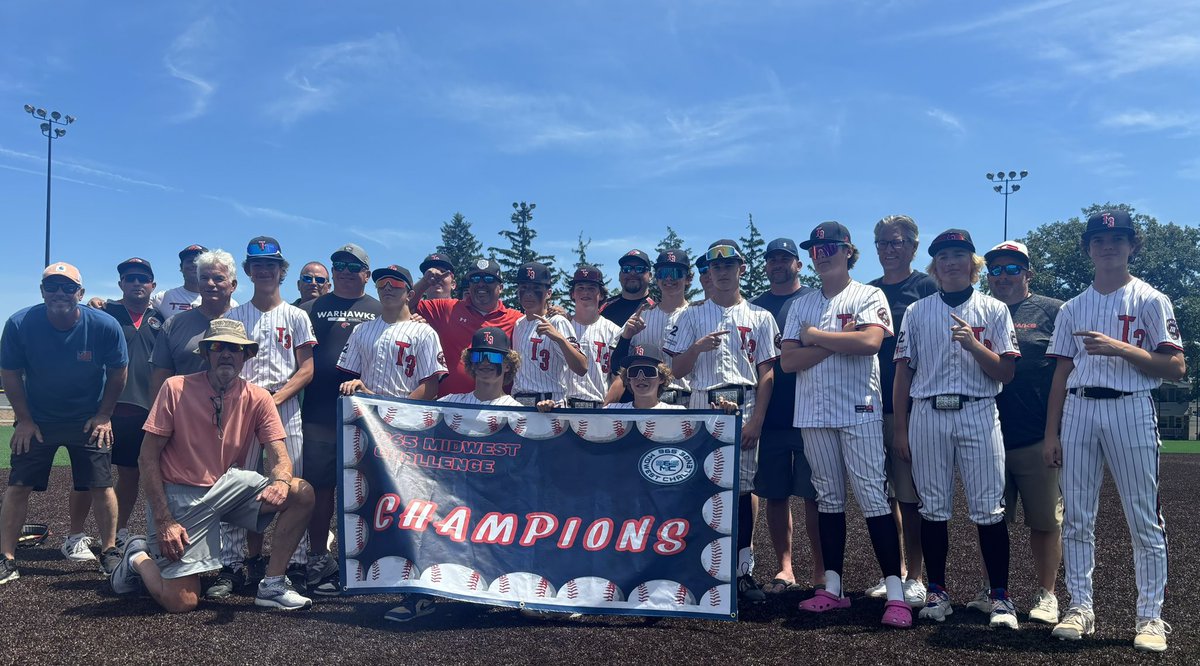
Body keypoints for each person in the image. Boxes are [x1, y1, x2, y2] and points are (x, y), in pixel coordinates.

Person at [1044, 210, 1185, 653]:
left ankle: (1150, 617)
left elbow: (1176, 367)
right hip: (1079, 409)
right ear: (1088, 249)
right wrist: (1051, 433)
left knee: (1143, 518)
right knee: (1077, 516)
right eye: (1099, 240)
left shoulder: (1151, 299)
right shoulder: (1071, 307)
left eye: (1118, 239)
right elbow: (1061, 374)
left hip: (1131, 406)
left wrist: (1119, 347)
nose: (1108, 246)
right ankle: (1079, 607)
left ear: (1132, 246)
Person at [108, 318, 316, 612]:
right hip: (180, 494)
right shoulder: (175, 388)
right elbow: (147, 457)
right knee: (182, 602)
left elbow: (280, 456)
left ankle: (272, 585)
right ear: (206, 353)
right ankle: (137, 556)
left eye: (235, 348)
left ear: (247, 355)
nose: (227, 354)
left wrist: (281, 480)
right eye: (218, 347)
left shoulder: (259, 397)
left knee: (301, 492)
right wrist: (164, 519)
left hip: (228, 486)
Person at [780, 223, 909, 628]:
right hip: (814, 413)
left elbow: (869, 343)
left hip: (860, 410)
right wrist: (838, 340)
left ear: (848, 251)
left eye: (830, 248)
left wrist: (815, 337)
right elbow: (788, 362)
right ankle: (832, 589)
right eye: (815, 250)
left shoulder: (868, 294)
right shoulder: (801, 304)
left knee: (874, 499)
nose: (822, 255)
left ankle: (896, 594)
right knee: (829, 501)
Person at [892, 229, 1019, 629]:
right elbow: (902, 373)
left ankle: (999, 596)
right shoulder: (917, 312)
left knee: (989, 508)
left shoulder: (994, 309)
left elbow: (1006, 372)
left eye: (959, 255)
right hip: (928, 412)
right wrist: (900, 428)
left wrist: (974, 345)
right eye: (943, 256)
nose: (950, 262)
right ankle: (937, 591)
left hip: (978, 410)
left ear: (973, 264)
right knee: (933, 508)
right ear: (935, 265)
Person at [664, 239, 778, 603]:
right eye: (716, 267)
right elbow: (674, 370)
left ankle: (743, 570)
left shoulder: (760, 316)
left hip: (744, 401)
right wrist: (696, 348)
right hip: (703, 399)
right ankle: (699, 568)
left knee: (742, 490)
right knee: (701, 486)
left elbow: (767, 374)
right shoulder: (690, 316)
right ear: (708, 273)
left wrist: (757, 421)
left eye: (729, 265)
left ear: (741, 269)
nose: (723, 272)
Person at [1, 262, 128, 584]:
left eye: (68, 287)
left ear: (80, 293)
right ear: (42, 291)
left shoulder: (104, 325)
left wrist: (104, 415)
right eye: (52, 286)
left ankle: (109, 551)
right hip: (38, 421)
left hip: (88, 420)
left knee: (101, 485)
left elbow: (118, 371)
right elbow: (10, 373)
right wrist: (24, 420)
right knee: (18, 486)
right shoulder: (19, 323)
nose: (60, 292)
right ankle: (6, 557)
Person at [957, 241, 1064, 624]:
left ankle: (1047, 594)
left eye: (1012, 269)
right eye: (996, 270)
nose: (1003, 276)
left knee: (1045, 522)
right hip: (986, 433)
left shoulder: (1053, 311)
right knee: (990, 519)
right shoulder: (979, 310)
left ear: (1028, 273)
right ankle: (992, 589)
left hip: (1035, 436)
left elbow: (1066, 374)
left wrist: (1054, 433)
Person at [336, 264, 448, 621]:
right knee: (371, 502)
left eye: (396, 283)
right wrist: (356, 389)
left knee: (412, 507)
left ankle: (418, 592)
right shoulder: (363, 330)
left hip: (412, 431)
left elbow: (431, 386)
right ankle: (369, 576)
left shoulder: (424, 332)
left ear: (409, 292)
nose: (387, 287)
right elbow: (351, 377)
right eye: (382, 282)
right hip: (371, 431)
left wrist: (390, 411)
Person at [210, 236, 316, 599]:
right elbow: (223, 363)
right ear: (248, 271)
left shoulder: (297, 315)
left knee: (292, 482)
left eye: (271, 264)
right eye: (258, 265)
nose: (265, 270)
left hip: (284, 405)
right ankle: (233, 564)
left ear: (281, 271)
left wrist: (277, 398)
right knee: (236, 482)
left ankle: (294, 564)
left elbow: (307, 369)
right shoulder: (233, 317)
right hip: (242, 404)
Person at [299, 243, 381, 594]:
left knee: (370, 489)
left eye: (353, 266)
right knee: (320, 489)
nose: (346, 272)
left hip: (370, 418)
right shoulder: (307, 309)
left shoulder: (381, 309)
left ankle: (372, 558)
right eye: (339, 266)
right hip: (320, 412)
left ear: (367, 274)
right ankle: (318, 556)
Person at [865, 214, 937, 607]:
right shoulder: (868, 291)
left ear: (913, 246)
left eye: (897, 242)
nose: (889, 250)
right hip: (869, 404)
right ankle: (893, 570)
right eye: (883, 243)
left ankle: (916, 576)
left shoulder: (926, 287)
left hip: (909, 406)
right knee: (881, 496)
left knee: (910, 495)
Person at [750, 238, 824, 595]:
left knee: (816, 496)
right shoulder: (755, 307)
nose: (778, 264)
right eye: (772, 259)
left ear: (798, 264)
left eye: (785, 259)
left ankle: (821, 571)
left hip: (811, 411)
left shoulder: (813, 300)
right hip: (771, 415)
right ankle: (785, 567)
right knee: (775, 495)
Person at [102, 258, 165, 551]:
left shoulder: (160, 318)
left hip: (143, 409)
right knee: (91, 476)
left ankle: (118, 530)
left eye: (143, 278)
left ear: (153, 285)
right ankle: (75, 535)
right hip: (104, 408)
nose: (137, 283)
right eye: (130, 278)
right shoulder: (104, 312)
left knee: (130, 475)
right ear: (121, 284)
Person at [409, 258, 523, 396]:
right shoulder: (448, 308)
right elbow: (406, 305)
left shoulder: (516, 319)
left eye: (488, 279)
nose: (481, 284)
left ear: (501, 287)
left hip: (497, 405)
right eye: (475, 279)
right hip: (449, 404)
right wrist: (424, 282)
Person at [607, 249, 692, 406]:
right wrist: (626, 338)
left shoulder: (698, 315)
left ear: (688, 278)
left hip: (685, 400)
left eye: (676, 273)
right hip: (644, 402)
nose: (668, 278)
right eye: (663, 273)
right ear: (656, 278)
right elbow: (617, 366)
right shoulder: (643, 315)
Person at [149, 249, 239, 398]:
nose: (210, 283)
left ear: (233, 285)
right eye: (204, 278)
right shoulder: (173, 324)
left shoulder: (245, 322)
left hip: (237, 410)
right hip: (184, 410)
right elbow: (159, 380)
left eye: (218, 278)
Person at [510, 262, 587, 406]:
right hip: (520, 404)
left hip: (551, 404)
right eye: (524, 287)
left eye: (536, 288)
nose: (528, 293)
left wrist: (559, 339)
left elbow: (582, 367)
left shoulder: (557, 322)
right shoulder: (519, 324)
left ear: (548, 293)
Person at [564, 265, 620, 408]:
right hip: (564, 407)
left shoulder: (614, 331)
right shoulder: (562, 326)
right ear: (572, 294)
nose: (585, 292)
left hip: (598, 407)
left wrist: (606, 408)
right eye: (580, 288)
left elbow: (619, 377)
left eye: (591, 288)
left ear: (601, 294)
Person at [150, 244, 238, 318]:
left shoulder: (232, 305)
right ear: (181, 267)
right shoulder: (162, 298)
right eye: (190, 261)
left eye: (198, 261)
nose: (194, 264)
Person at [604, 354, 684, 410]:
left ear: (661, 378)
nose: (641, 377)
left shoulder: (678, 413)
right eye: (634, 372)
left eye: (648, 371)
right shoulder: (610, 411)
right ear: (628, 379)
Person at [599, 249, 654, 326]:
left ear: (650, 276)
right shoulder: (604, 308)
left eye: (639, 269)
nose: (632, 273)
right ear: (619, 275)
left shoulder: (658, 306)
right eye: (626, 269)